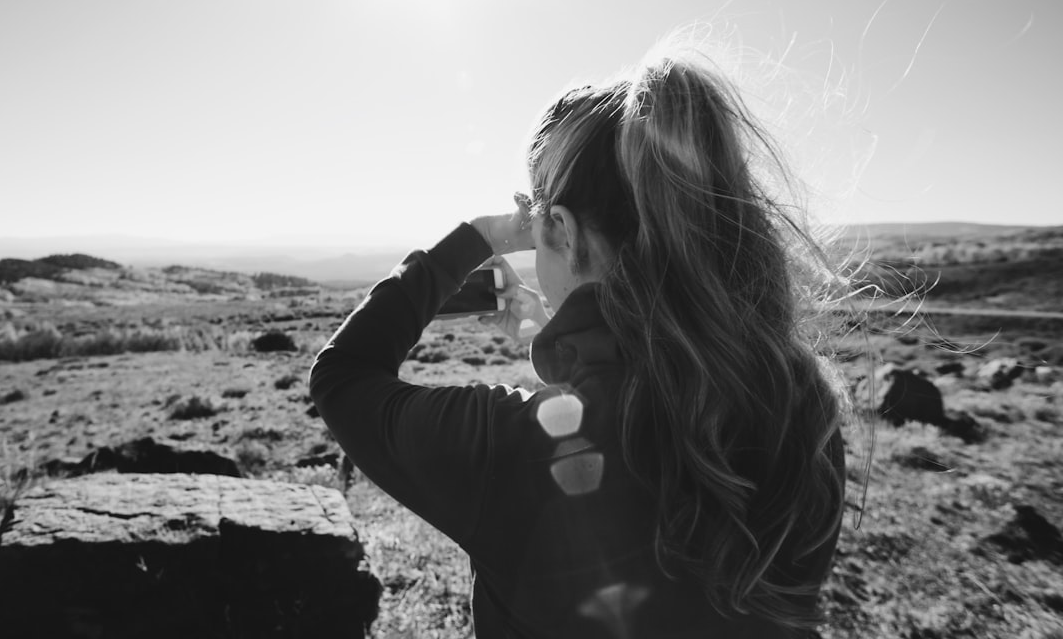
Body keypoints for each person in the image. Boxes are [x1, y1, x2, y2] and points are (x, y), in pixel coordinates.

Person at [310, 41, 848, 638]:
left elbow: (343, 375)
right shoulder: (802, 409)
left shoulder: (506, 446)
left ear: (561, 231)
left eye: (541, 236)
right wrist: (559, 341)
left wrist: (478, 237)